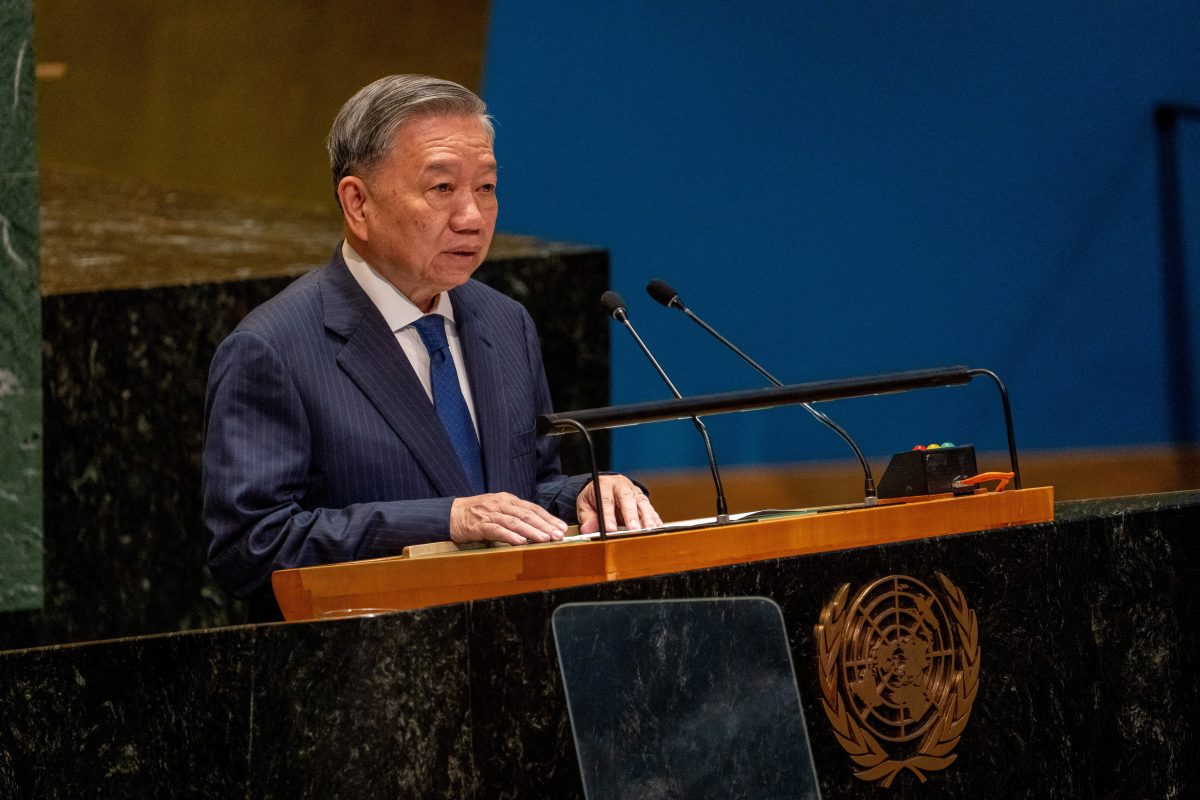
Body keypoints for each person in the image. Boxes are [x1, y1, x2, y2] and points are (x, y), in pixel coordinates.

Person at [202, 75, 661, 619]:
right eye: (442, 189)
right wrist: (445, 520)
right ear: (358, 203)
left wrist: (585, 496)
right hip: (372, 673)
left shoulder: (503, 321)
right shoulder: (273, 348)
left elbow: (529, 489)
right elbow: (252, 547)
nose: (472, 216)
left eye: (486, 188)